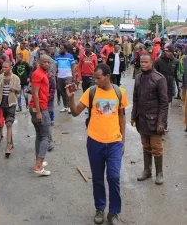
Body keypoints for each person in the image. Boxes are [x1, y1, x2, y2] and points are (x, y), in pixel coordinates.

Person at [66, 63, 129, 225]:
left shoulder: (119, 93)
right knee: (98, 178)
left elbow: (122, 117)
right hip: (94, 143)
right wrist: (71, 98)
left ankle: (114, 213)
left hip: (114, 142)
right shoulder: (91, 92)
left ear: (107, 77)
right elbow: (75, 112)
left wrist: (122, 141)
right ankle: (100, 209)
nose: (95, 81)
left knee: (114, 177)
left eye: (98, 78)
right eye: (94, 78)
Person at [131, 54, 168, 185]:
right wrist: (133, 116)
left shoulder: (159, 79)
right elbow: (135, 99)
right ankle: (147, 171)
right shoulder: (138, 78)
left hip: (155, 121)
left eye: (146, 62)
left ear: (152, 62)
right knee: (146, 146)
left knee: (156, 147)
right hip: (142, 120)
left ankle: (159, 173)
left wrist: (161, 122)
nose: (143, 64)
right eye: (141, 62)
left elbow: (164, 103)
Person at [0, 61, 20, 157]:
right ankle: (11, 142)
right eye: (3, 67)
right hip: (2, 103)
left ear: (10, 68)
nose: (4, 69)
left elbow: (19, 90)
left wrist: (14, 90)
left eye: (6, 67)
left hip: (11, 103)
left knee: (9, 124)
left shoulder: (16, 78)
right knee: (6, 122)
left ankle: (8, 146)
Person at [29, 55, 53, 176]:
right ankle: (38, 166)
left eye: (48, 62)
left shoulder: (42, 73)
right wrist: (38, 111)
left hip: (40, 107)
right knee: (46, 137)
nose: (47, 64)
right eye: (44, 62)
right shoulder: (37, 74)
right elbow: (35, 93)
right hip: (40, 108)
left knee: (39, 135)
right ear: (39, 62)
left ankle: (38, 161)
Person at [55, 45, 76, 113]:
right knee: (62, 92)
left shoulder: (70, 56)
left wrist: (74, 76)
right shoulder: (57, 56)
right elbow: (56, 66)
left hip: (68, 76)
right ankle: (65, 106)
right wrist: (55, 74)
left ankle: (70, 107)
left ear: (65, 49)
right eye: (60, 48)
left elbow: (73, 67)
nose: (60, 50)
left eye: (62, 48)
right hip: (60, 76)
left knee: (68, 92)